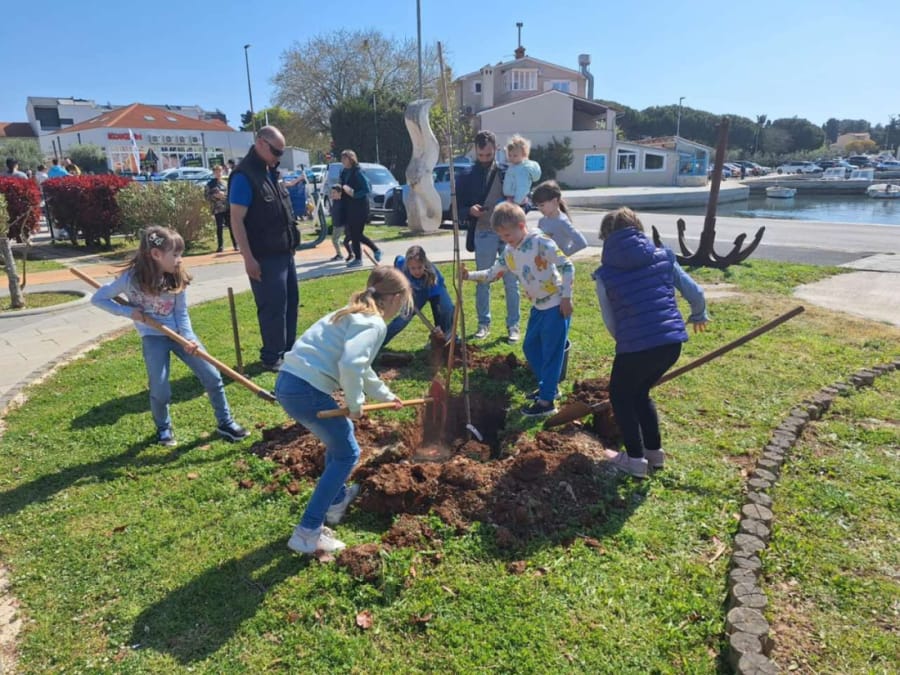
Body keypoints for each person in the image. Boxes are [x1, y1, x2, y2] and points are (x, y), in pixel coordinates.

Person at [276, 266, 412, 554]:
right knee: (348, 452)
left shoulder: (354, 311)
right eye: (404, 300)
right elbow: (350, 365)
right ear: (397, 298)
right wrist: (355, 404)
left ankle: (337, 500)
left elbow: (361, 368)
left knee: (340, 438)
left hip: (290, 381)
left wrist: (386, 395)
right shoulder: (374, 323)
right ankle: (307, 532)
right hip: (305, 389)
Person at [90, 226, 249, 447]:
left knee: (212, 376)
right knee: (160, 387)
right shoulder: (129, 279)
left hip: (179, 333)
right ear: (156, 255)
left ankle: (226, 422)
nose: (179, 259)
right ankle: (164, 428)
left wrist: (189, 338)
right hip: (152, 336)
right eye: (175, 254)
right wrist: (128, 312)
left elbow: (181, 312)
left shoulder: (177, 276)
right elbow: (98, 298)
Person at [593, 207, 709, 478]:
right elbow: (696, 291)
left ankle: (634, 460)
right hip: (670, 344)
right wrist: (699, 313)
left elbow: (609, 318)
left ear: (607, 238)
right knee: (640, 393)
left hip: (635, 347)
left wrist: (625, 342)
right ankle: (654, 455)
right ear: (639, 229)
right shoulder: (664, 257)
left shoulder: (604, 274)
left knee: (621, 397)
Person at [461, 203, 574, 417]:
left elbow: (567, 266)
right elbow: (493, 273)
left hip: (556, 305)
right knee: (531, 347)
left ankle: (547, 403)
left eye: (507, 234)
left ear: (521, 226)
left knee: (552, 353)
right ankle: (549, 387)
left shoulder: (541, 242)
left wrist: (566, 298)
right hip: (538, 306)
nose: (505, 239)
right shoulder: (509, 251)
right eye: (501, 236)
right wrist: (470, 276)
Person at [228, 126, 300, 372]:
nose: (278, 156)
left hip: (284, 252)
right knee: (272, 307)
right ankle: (271, 357)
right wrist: (248, 258)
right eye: (275, 151)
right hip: (264, 256)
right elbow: (236, 219)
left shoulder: (272, 172)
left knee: (289, 303)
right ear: (260, 143)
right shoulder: (244, 176)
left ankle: (288, 350)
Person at [457, 130, 520, 342]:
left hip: (509, 235)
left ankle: (513, 326)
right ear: (475, 151)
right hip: (483, 232)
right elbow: (455, 208)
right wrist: (469, 211)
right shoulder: (466, 175)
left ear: (496, 150)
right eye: (481, 155)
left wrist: (516, 207)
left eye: (488, 155)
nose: (484, 159)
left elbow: (523, 201)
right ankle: (483, 324)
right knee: (482, 280)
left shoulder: (507, 172)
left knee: (511, 282)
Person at [383, 245, 455, 348]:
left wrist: (438, 326)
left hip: (435, 291)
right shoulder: (401, 263)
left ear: (424, 264)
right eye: (413, 268)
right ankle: (379, 342)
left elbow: (437, 304)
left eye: (420, 267)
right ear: (407, 265)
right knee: (402, 319)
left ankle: (445, 336)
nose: (417, 271)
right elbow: (397, 261)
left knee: (447, 309)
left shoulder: (433, 276)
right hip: (416, 293)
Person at [339, 149, 382, 268]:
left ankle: (361, 257)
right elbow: (342, 185)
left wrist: (354, 194)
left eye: (344, 158)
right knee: (354, 234)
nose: (342, 160)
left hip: (360, 207)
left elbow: (367, 189)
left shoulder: (358, 172)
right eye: (342, 158)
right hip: (349, 207)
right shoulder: (344, 172)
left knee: (356, 234)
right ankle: (371, 252)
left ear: (351, 159)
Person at [532, 180, 588, 256]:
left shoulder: (562, 222)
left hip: (558, 266)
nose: (539, 208)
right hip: (544, 265)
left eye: (542, 205)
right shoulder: (542, 221)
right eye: (537, 205)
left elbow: (581, 243)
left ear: (555, 201)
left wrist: (563, 255)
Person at [502, 134, 542, 208]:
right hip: (512, 199)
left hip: (517, 201)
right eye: (509, 155)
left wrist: (516, 202)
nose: (511, 158)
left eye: (515, 155)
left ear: (523, 154)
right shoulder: (514, 166)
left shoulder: (522, 170)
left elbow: (522, 187)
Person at [205, 165, 236, 252]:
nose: (218, 174)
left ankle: (235, 244)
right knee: (219, 227)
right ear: (214, 173)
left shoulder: (225, 183)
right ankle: (220, 246)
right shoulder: (210, 184)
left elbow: (231, 194)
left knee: (231, 226)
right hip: (217, 209)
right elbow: (206, 196)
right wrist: (215, 196)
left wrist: (224, 195)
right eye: (216, 172)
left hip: (227, 207)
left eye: (220, 171)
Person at [328, 184, 351, 262]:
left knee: (334, 239)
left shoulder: (342, 202)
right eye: (332, 193)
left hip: (340, 224)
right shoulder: (335, 201)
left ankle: (340, 255)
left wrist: (344, 224)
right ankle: (349, 247)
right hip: (336, 223)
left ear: (340, 193)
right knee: (337, 239)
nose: (332, 194)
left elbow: (345, 214)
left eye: (334, 192)